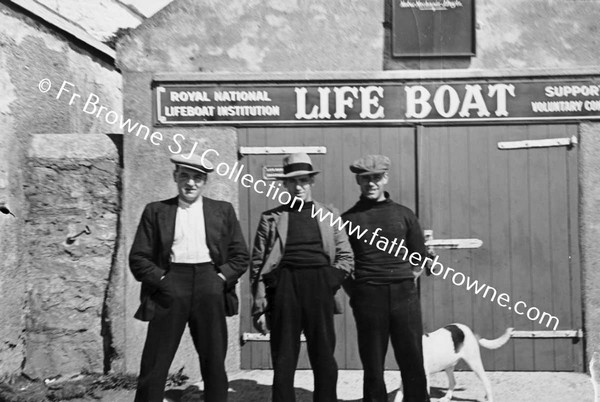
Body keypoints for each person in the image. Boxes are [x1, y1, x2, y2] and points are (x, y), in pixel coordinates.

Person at [129, 153, 249, 402]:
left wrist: (219, 279)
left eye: (197, 178)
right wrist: (162, 281)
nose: (191, 183)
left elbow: (240, 256)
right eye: (185, 176)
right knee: (156, 359)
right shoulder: (156, 211)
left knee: (214, 358)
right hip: (171, 284)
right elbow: (138, 258)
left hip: (210, 283)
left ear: (205, 182)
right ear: (175, 177)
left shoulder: (222, 211)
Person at [250, 153, 353, 402]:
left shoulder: (329, 214)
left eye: (304, 181)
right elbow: (257, 265)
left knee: (324, 357)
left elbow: (346, 256)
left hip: (319, 287)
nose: (299, 187)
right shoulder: (271, 218)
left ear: (312, 182)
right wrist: (261, 306)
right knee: (284, 359)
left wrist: (329, 279)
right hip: (284, 288)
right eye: (293, 182)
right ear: (284, 185)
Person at [342, 154, 430, 402]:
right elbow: (343, 263)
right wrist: (358, 293)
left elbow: (419, 256)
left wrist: (405, 280)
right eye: (365, 178)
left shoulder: (404, 214)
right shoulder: (348, 219)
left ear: (385, 178)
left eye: (376, 178)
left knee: (412, 361)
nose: (371, 183)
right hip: (368, 298)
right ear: (358, 181)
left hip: (404, 297)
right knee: (372, 365)